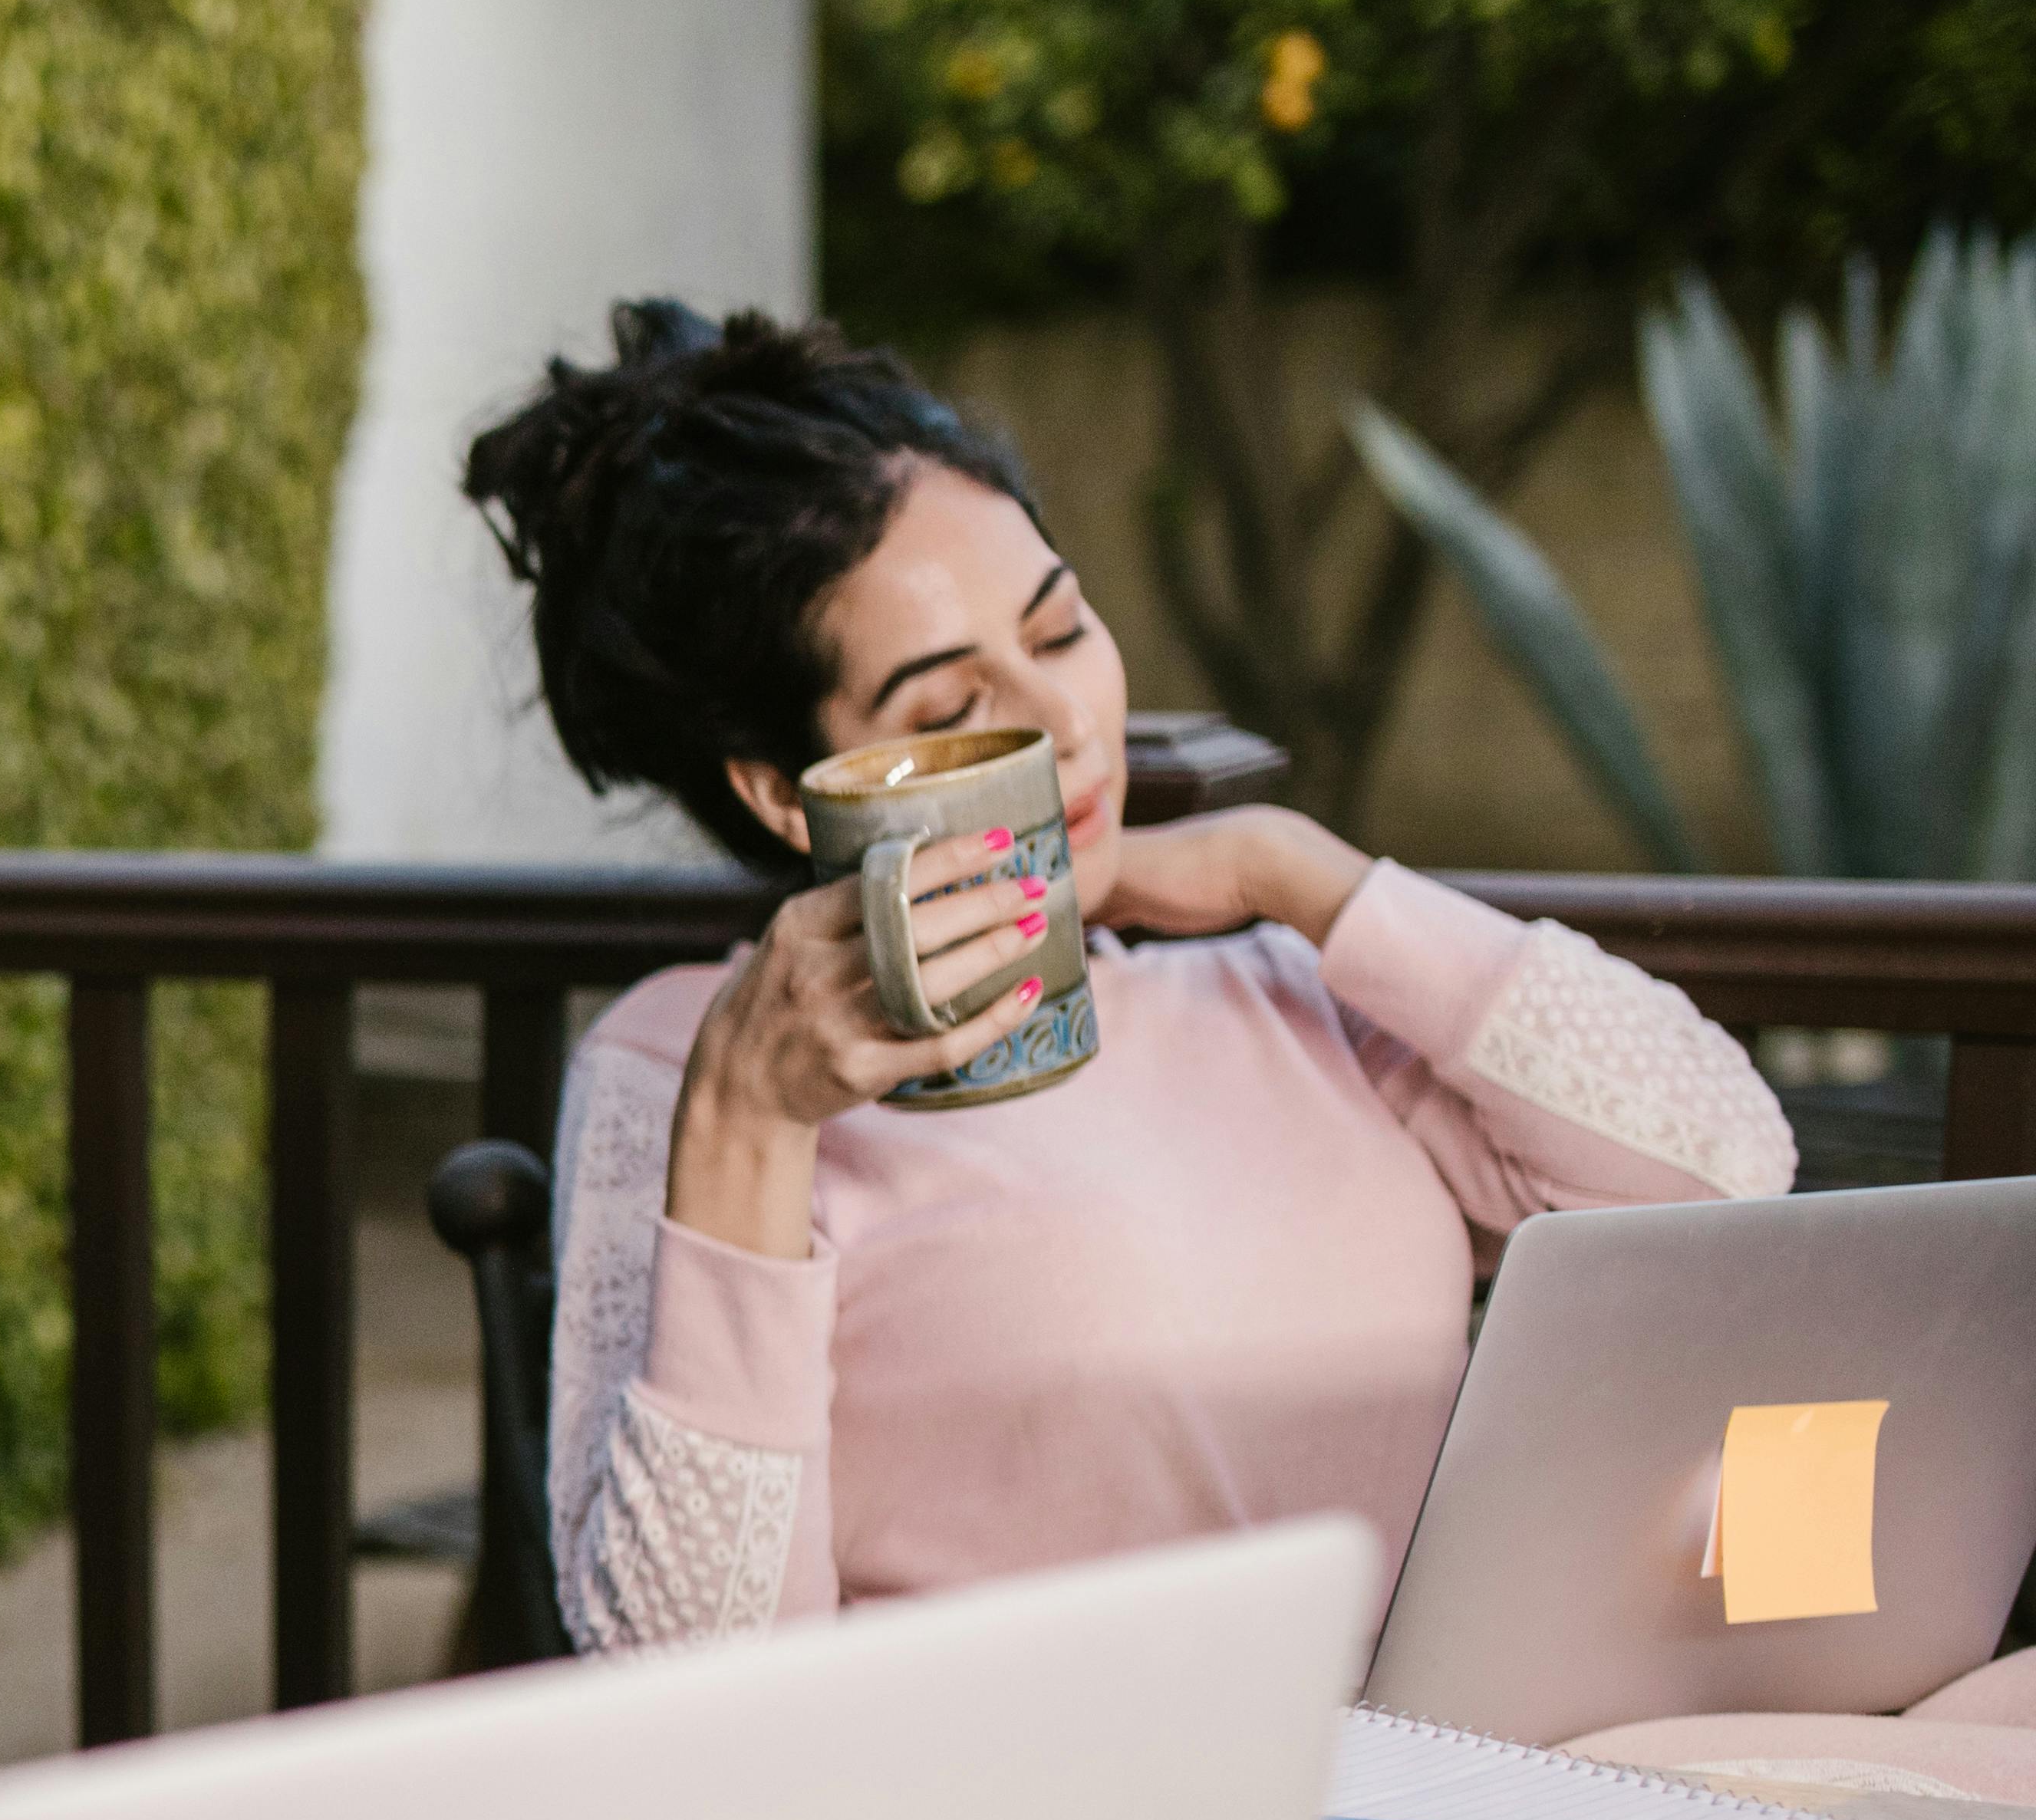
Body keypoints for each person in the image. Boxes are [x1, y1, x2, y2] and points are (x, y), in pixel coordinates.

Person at [463, 301, 1796, 1657]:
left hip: (1431, 1765)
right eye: (947, 707)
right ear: (784, 791)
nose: (1063, 722)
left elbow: (1728, 1173)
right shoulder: (692, 1071)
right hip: (1028, 1780)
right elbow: (687, 1678)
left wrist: (1295, 871)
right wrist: (748, 1121)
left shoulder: (1289, 990)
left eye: (1058, 634)